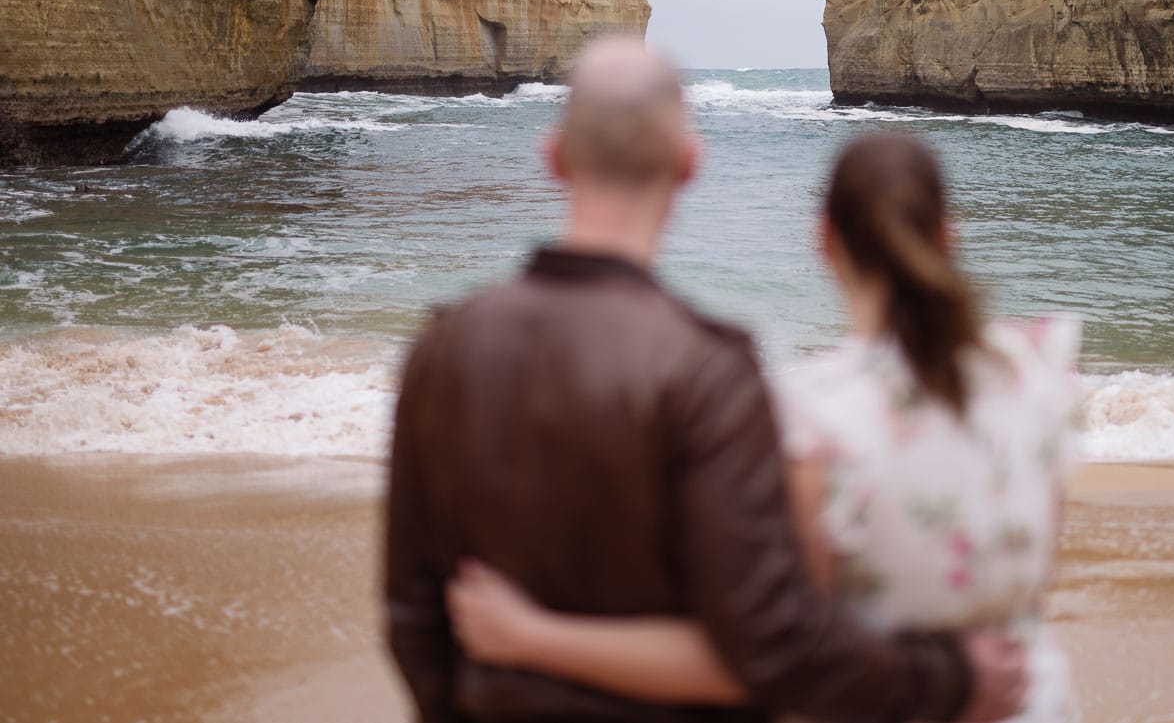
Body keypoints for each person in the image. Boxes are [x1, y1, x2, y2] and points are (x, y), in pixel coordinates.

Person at [385, 38, 1030, 723]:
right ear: (690, 163)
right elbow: (771, 640)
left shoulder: (443, 347)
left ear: (554, 157)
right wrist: (947, 679)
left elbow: (411, 615)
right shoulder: (709, 370)